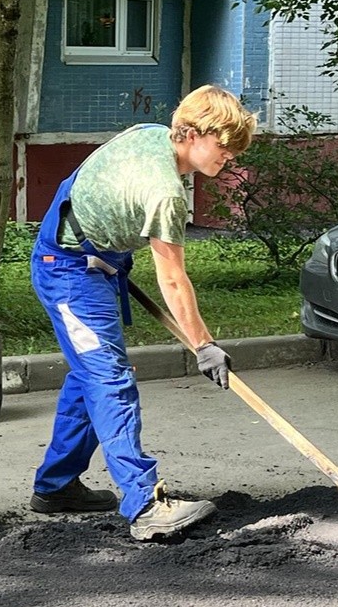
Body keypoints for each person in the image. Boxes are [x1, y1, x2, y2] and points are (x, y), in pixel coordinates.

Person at [29, 84, 257, 540]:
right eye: (224, 146)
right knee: (110, 381)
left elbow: (85, 181)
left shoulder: (151, 133)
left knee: (88, 376)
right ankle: (145, 504)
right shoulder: (166, 193)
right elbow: (172, 279)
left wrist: (106, 246)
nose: (230, 157)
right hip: (69, 272)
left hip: (93, 259)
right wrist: (204, 345)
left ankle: (55, 488)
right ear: (192, 134)